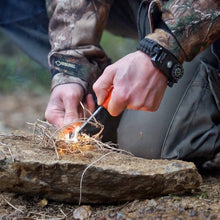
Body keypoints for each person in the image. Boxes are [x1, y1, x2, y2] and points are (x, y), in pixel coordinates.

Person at [1, 1, 220, 165]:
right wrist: (72, 64)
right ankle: (107, 88)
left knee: (148, 146)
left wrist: (164, 50)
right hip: (146, 7)